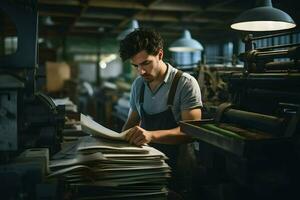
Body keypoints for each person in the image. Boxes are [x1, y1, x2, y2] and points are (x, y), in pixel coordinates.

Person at [119, 28, 202, 195]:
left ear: (160, 55)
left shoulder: (185, 83)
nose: (141, 71)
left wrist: (151, 135)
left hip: (178, 167)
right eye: (135, 66)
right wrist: (117, 142)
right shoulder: (138, 85)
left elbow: (192, 132)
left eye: (145, 63)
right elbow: (131, 122)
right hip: (148, 166)